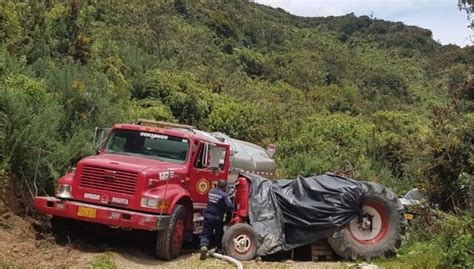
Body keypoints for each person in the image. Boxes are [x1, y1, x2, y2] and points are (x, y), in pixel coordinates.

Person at [200, 180, 234, 260]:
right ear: (225, 187)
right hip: (217, 218)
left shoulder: (211, 191)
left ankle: (204, 246)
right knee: (219, 233)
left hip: (208, 216)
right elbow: (230, 207)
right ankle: (215, 248)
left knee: (206, 233)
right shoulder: (224, 195)